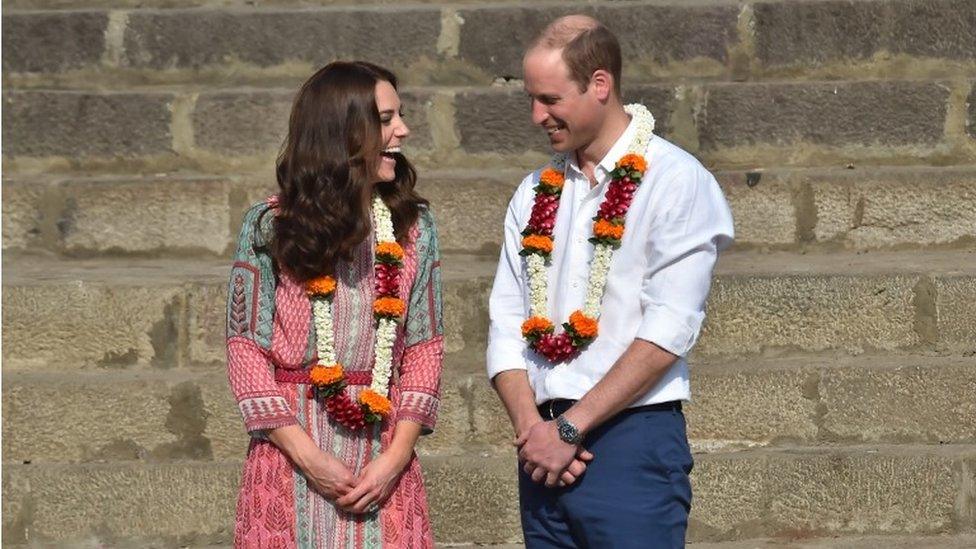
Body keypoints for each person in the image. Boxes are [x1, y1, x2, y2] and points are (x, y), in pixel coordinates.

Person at [486, 15, 734, 548]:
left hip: (629, 440)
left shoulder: (676, 180)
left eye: (550, 98)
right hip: (541, 451)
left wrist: (571, 429)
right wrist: (536, 431)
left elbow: (670, 327)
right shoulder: (533, 193)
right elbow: (506, 323)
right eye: (531, 98)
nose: (536, 115)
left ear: (600, 85)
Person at [226, 61, 443, 548]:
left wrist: (394, 459)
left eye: (399, 116)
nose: (403, 130)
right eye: (386, 119)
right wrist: (308, 457)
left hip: (382, 456)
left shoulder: (414, 228)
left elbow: (426, 345)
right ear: (344, 132)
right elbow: (244, 347)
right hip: (289, 456)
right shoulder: (269, 225)